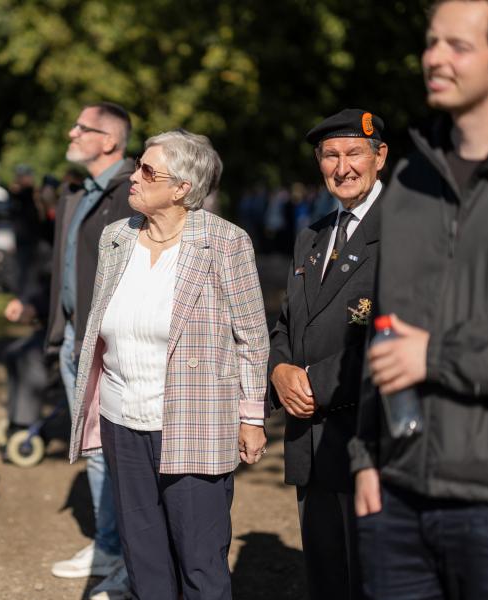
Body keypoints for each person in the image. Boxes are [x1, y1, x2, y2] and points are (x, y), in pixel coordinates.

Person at [70, 130, 270, 600]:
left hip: (194, 419)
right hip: (123, 417)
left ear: (182, 187)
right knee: (144, 557)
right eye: (138, 165)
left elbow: (252, 337)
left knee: (200, 560)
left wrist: (252, 416)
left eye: (146, 171)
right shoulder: (116, 238)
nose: (133, 178)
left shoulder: (225, 243)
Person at [350, 1, 488, 598]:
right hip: (397, 502)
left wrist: (437, 356)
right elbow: (381, 328)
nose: (435, 58)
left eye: (458, 46)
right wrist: (365, 455)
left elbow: (416, 349)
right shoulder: (408, 184)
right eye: (431, 42)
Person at [268, 109, 388, 600]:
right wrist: (277, 371)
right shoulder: (311, 236)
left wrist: (314, 380)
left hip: (368, 435)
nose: (342, 167)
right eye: (330, 155)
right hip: (308, 439)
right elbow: (287, 325)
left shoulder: (404, 231)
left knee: (374, 578)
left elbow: (397, 336)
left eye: (354, 153)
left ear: (379, 156)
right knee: (326, 576)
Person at [46, 102, 135, 599]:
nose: (72, 131)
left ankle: (127, 556)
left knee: (116, 453)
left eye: (84, 127)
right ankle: (108, 546)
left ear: (110, 141)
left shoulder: (130, 192)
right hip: (74, 338)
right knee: (94, 449)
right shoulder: (79, 189)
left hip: (105, 344)